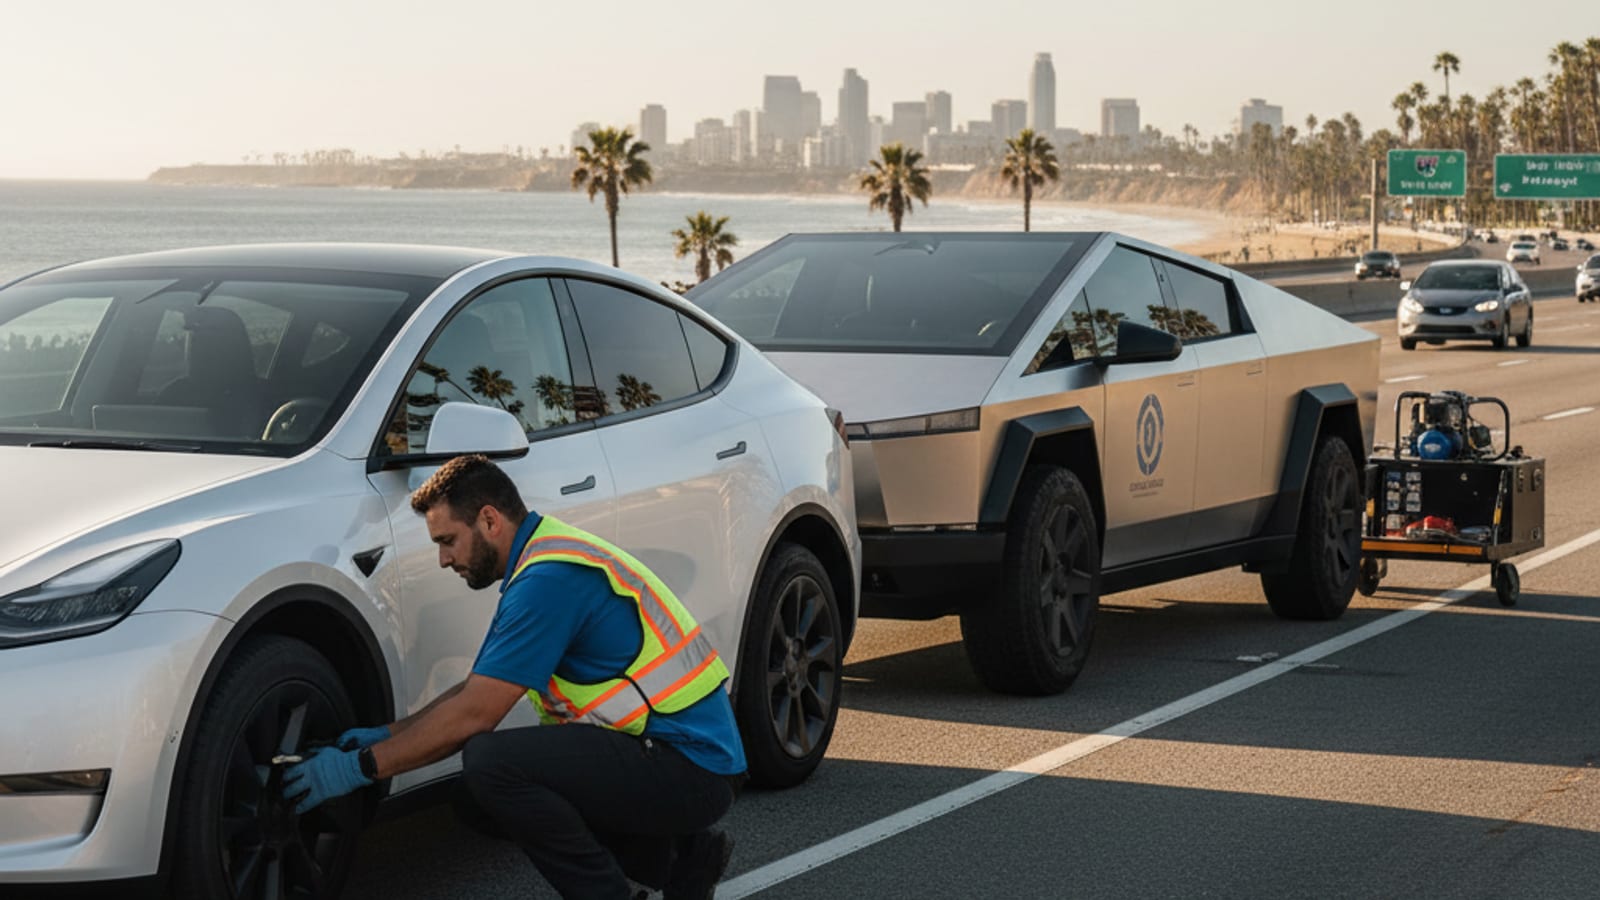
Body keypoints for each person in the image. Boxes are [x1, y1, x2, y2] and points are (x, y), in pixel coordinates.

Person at [283, 454, 746, 899]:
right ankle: (683, 858)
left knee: (491, 762)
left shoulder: (548, 581)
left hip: (691, 766)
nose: (444, 559)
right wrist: (384, 735)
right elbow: (473, 689)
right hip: (667, 754)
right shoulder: (538, 563)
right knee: (474, 795)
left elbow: (476, 716)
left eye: (447, 540)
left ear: (489, 520)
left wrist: (360, 767)